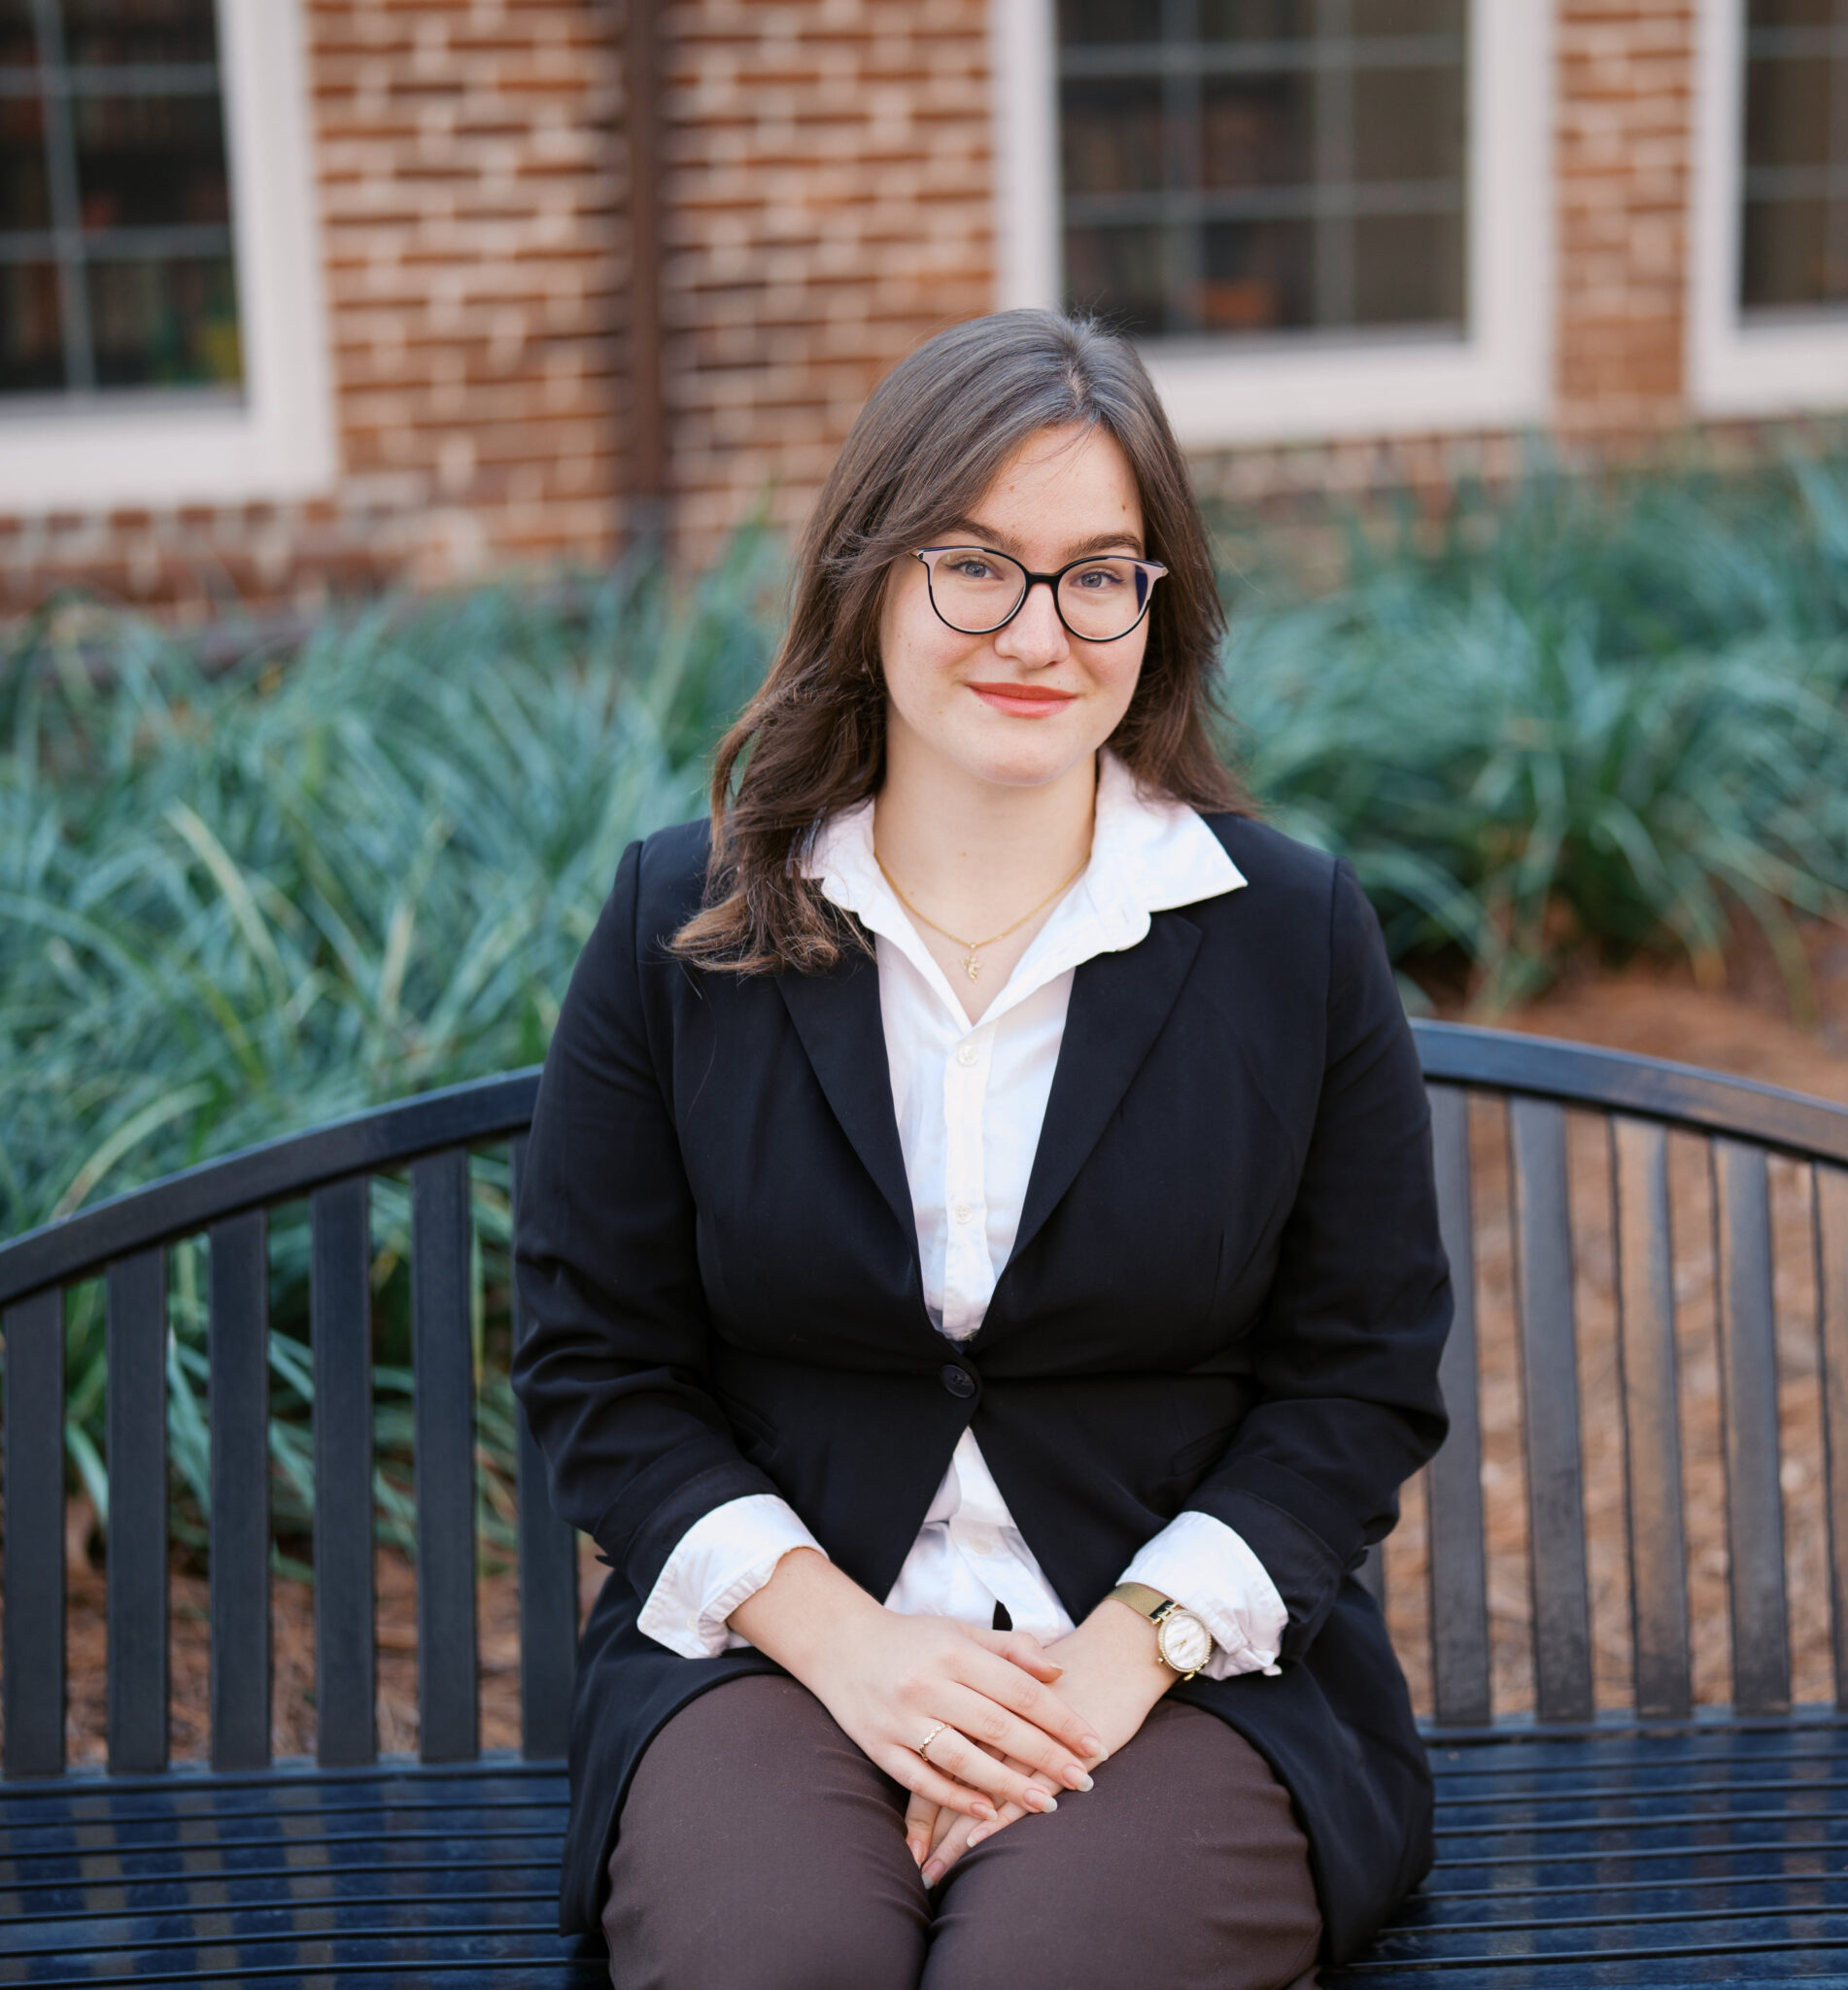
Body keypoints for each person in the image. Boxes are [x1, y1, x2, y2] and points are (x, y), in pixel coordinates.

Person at [513, 308, 1453, 1990]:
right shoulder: (687, 921)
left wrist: (1126, 1652)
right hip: (776, 1660)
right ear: (867, 580)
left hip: (1179, 1679)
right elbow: (601, 1367)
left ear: (1156, 612)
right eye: (976, 565)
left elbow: (1357, 1378)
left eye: (1100, 573)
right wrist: (851, 1649)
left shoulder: (1286, 935)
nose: (1039, 630)